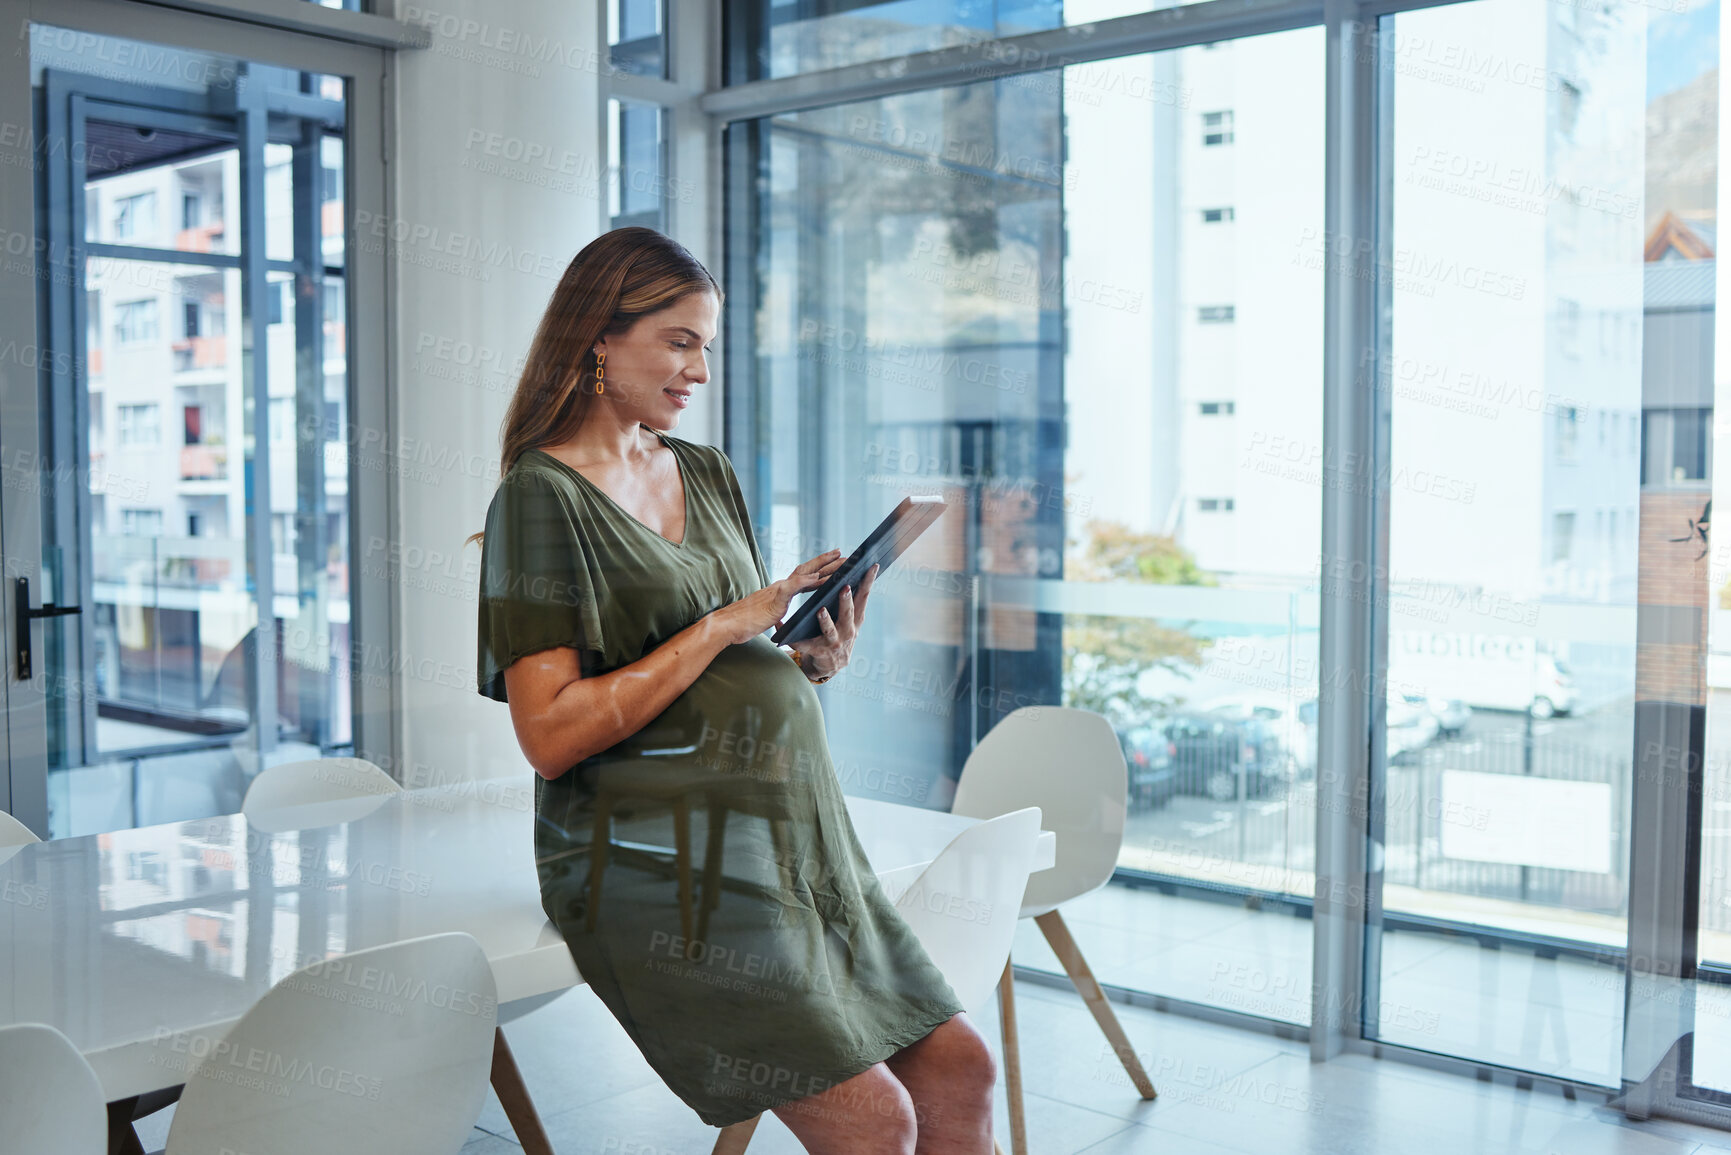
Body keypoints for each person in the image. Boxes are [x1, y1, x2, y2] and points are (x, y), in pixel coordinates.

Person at [469, 227, 998, 1153]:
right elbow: (550, 734)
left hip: (795, 841)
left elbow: (733, 666)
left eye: (705, 346)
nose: (699, 372)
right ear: (599, 334)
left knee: (962, 1070)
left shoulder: (705, 473)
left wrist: (809, 661)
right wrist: (722, 622)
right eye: (679, 341)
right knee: (877, 1121)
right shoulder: (539, 499)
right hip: (651, 861)